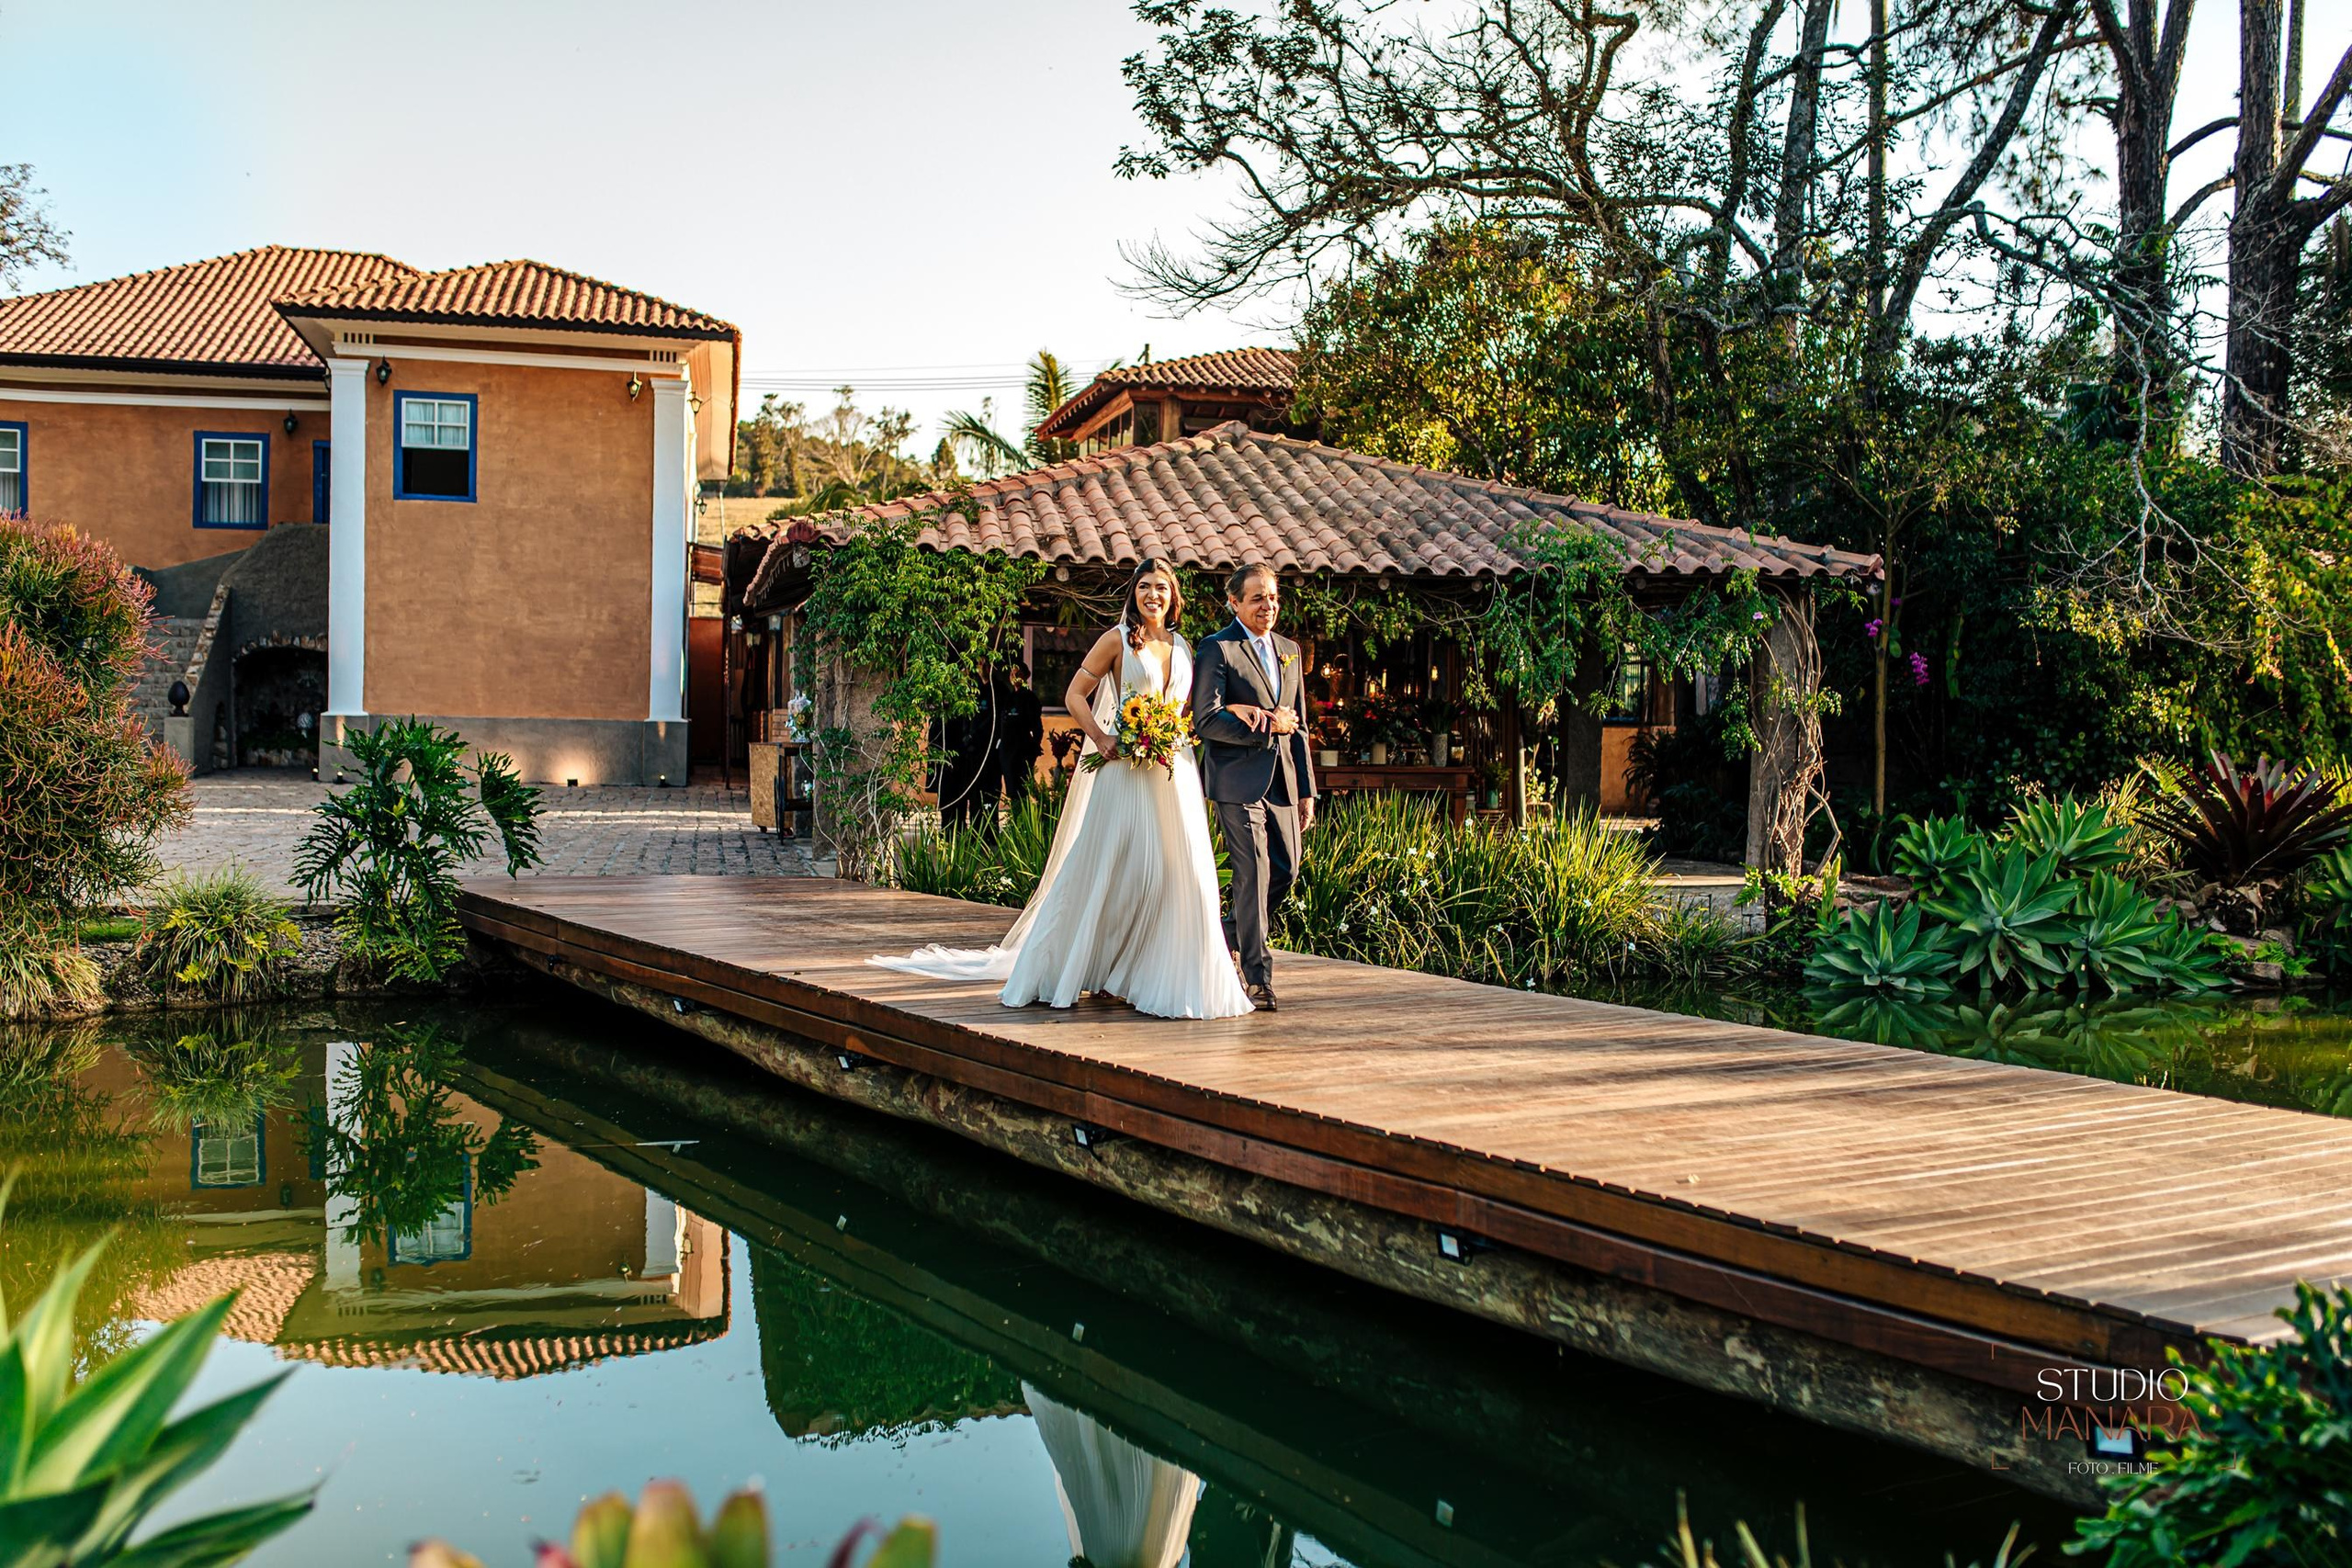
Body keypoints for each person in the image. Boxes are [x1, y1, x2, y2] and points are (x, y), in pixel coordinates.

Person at [869, 559, 1254, 1021]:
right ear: (1134, 593)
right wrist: (1102, 735)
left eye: (1162, 588)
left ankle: (1149, 973)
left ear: (1174, 597)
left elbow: (1189, 708)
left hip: (1174, 772)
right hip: (1125, 770)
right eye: (1146, 587)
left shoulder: (1184, 647)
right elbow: (1075, 695)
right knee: (1114, 870)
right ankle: (1079, 966)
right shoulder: (1117, 641)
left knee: (1181, 873)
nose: (1154, 595)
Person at [1191, 562, 1316, 1011]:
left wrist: (1306, 790)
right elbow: (1206, 719)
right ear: (1235, 602)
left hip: (1283, 781)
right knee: (1254, 873)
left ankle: (1222, 935)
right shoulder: (1217, 649)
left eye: (1274, 597)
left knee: (1286, 871)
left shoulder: (1290, 650)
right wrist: (1267, 725)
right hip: (1236, 781)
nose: (1269, 605)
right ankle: (1257, 979)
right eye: (1258, 597)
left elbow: (1299, 725)